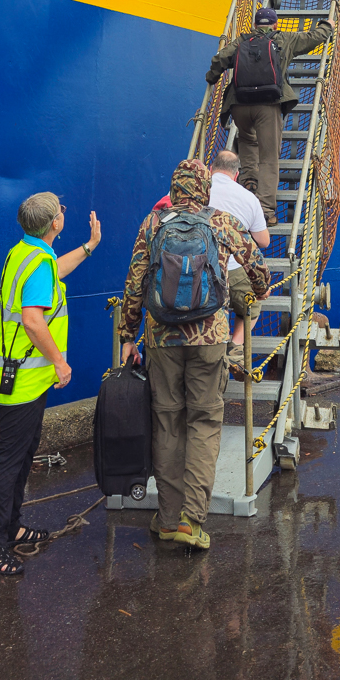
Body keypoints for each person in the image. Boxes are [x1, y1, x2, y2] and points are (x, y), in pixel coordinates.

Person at [119, 159, 269, 549]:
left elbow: (134, 283)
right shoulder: (220, 222)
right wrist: (260, 289)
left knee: (168, 424)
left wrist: (127, 335)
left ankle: (168, 519)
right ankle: (191, 520)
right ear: (204, 189)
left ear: (174, 190)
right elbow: (257, 265)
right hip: (210, 338)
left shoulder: (153, 224)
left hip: (161, 339)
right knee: (204, 422)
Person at [0, 192, 100, 575]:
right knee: (10, 460)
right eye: (61, 210)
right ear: (55, 223)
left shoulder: (26, 252)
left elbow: (54, 271)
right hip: (24, 378)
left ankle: (11, 527)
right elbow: (32, 319)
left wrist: (89, 247)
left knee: (24, 452)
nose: (64, 213)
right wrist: (60, 362)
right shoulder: (38, 261)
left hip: (20, 372)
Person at [205, 6, 333, 225]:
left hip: (239, 105)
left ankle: (249, 180)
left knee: (247, 139)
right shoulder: (284, 39)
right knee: (269, 156)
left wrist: (212, 77)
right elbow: (313, 38)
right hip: (268, 104)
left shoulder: (241, 41)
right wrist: (326, 26)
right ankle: (264, 209)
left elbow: (220, 59)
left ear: (255, 24)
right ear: (275, 24)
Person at [208, 148, 271, 369]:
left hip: (195, 269)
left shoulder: (196, 191)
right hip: (233, 270)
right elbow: (264, 242)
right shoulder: (248, 198)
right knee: (251, 304)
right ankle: (235, 347)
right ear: (236, 175)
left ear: (211, 168)